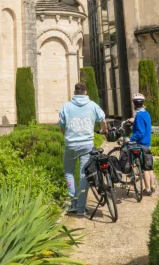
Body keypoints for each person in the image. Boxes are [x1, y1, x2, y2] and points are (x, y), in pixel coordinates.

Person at [59, 82, 107, 216]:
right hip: (87, 144)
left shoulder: (66, 106)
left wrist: (67, 136)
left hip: (71, 144)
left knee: (68, 171)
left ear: (75, 92)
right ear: (86, 92)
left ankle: (73, 203)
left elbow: (62, 125)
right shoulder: (93, 105)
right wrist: (104, 129)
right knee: (84, 174)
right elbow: (103, 119)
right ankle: (81, 208)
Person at [127, 92, 156, 196]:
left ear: (134, 104)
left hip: (141, 144)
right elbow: (144, 124)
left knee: (144, 168)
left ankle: (147, 189)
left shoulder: (139, 116)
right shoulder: (146, 113)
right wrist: (134, 121)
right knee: (149, 166)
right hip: (147, 143)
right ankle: (152, 186)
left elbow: (140, 133)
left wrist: (130, 139)